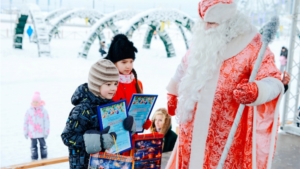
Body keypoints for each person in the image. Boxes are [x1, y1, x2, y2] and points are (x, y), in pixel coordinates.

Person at [165, 0, 284, 168]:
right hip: (191, 132)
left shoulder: (251, 44)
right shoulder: (205, 39)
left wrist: (258, 91)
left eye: (212, 23)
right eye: (203, 23)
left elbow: (273, 80)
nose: (206, 28)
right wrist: (173, 92)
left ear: (229, 21)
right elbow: (184, 67)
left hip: (225, 136)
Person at [61, 59, 136, 169]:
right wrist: (94, 141)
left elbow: (116, 134)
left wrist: (128, 127)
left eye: (116, 83)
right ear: (96, 85)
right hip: (84, 165)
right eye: (108, 84)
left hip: (107, 163)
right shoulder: (82, 110)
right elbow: (67, 137)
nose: (114, 88)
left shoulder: (113, 106)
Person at [24, 92, 50, 160]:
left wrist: (46, 132)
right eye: (33, 102)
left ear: (39, 102)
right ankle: (34, 157)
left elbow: (46, 122)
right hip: (32, 133)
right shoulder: (29, 111)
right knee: (33, 146)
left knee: (43, 145)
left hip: (41, 133)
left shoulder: (43, 111)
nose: (34, 103)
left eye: (36, 102)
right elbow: (26, 122)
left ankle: (44, 156)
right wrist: (25, 132)